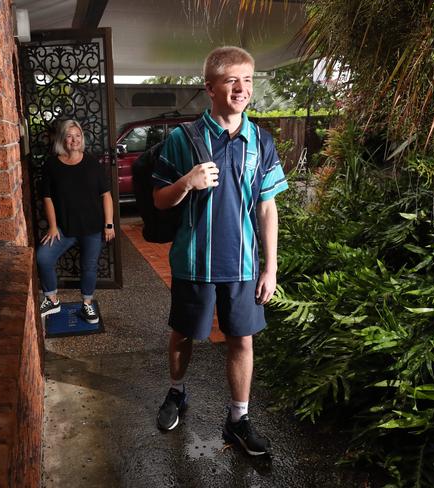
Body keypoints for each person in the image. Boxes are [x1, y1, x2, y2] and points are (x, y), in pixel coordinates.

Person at [152, 46, 288, 456]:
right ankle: (176, 392)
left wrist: (271, 267)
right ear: (210, 87)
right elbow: (159, 199)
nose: (241, 88)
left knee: (241, 341)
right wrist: (186, 183)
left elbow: (267, 207)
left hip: (244, 263)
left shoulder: (260, 141)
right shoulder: (182, 139)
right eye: (231, 80)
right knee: (184, 333)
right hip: (194, 260)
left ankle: (238, 420)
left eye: (247, 80)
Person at [37, 119, 115, 324]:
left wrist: (109, 223)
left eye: (77, 135)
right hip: (64, 228)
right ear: (63, 138)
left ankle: (87, 304)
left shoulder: (92, 163)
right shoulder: (51, 165)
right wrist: (53, 226)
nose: (74, 140)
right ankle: (52, 299)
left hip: (92, 228)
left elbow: (106, 195)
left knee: (89, 267)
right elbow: (47, 197)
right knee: (43, 257)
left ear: (82, 138)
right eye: (70, 136)